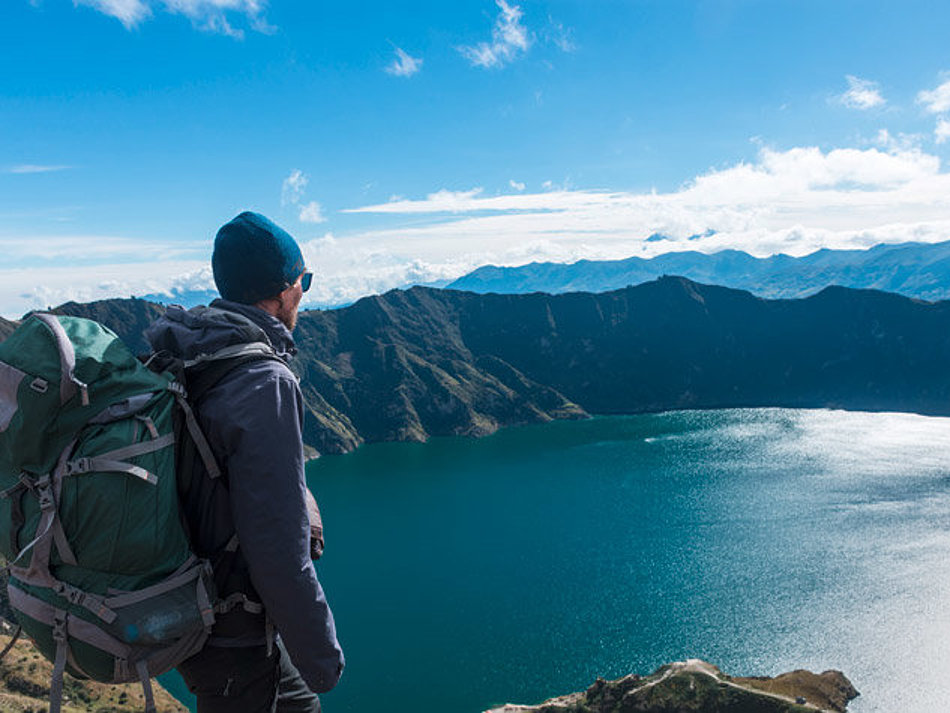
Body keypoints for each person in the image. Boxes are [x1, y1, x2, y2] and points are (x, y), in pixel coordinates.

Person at [145, 211, 344, 712]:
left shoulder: (188, 349)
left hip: (191, 606)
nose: (305, 293)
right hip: (231, 635)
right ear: (282, 290)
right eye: (305, 281)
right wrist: (322, 658)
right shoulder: (262, 381)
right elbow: (279, 548)